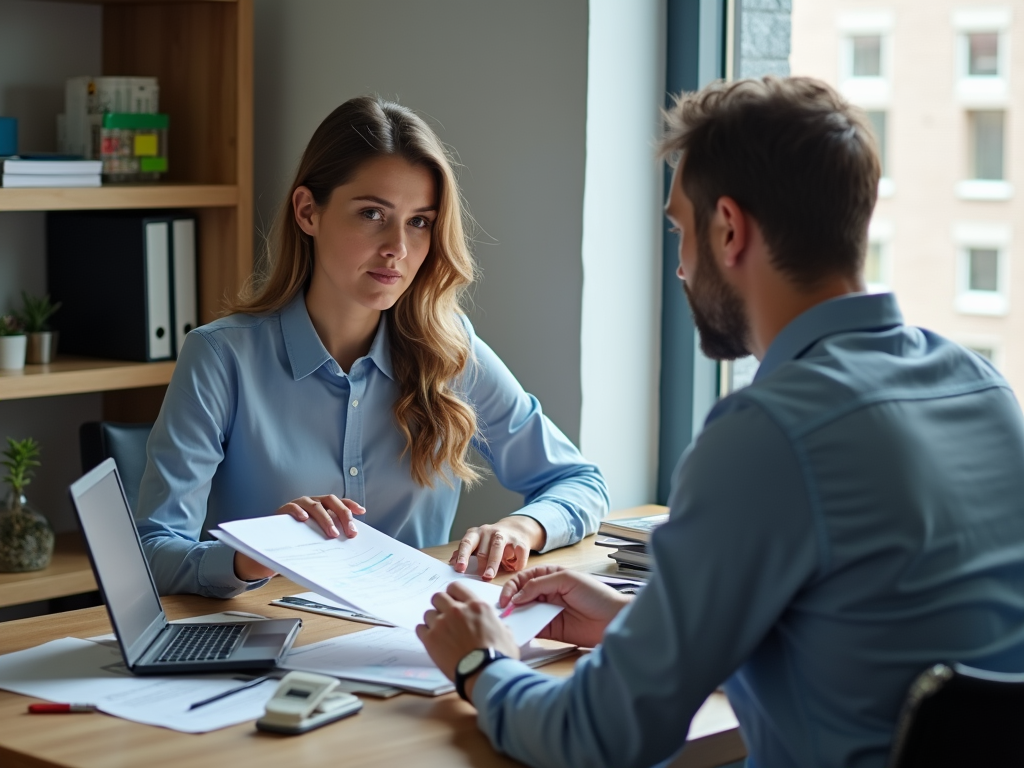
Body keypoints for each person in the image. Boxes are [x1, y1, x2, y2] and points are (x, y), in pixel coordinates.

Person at [416, 77, 1024, 768]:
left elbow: (595, 739)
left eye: (680, 229)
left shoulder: (769, 434)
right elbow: (866, 645)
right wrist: (634, 625)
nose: (679, 266)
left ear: (729, 229)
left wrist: (480, 664)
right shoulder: (981, 388)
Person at [135, 96, 609, 599]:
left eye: (419, 221)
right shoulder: (220, 357)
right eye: (371, 214)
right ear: (307, 212)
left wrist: (523, 528)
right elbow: (152, 550)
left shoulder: (450, 351)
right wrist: (252, 554)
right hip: (273, 647)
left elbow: (580, 482)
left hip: (418, 646)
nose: (397, 249)